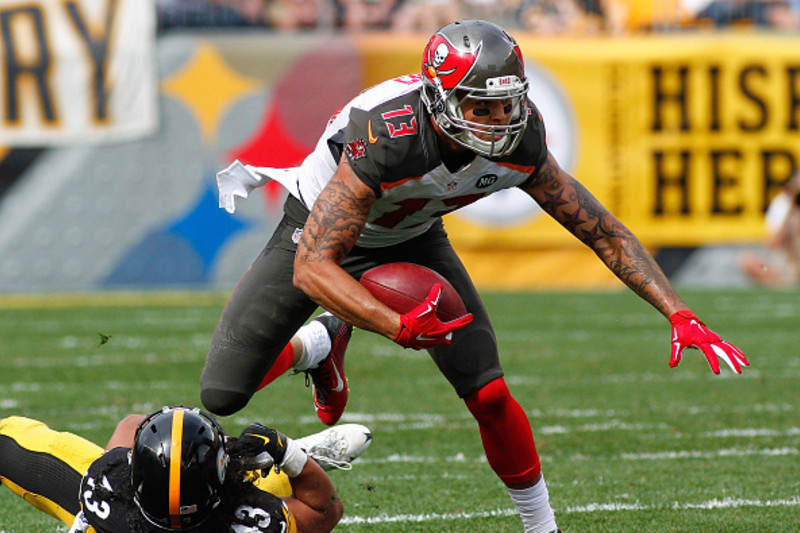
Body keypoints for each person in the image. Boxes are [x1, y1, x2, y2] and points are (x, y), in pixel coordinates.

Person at [203, 19, 749, 533]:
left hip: (414, 237)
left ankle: (543, 525)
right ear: (440, 99)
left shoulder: (522, 137)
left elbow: (602, 231)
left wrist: (678, 311)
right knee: (223, 395)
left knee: (487, 391)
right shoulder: (388, 134)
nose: (501, 118)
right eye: (482, 105)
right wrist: (394, 326)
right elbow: (314, 266)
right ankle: (318, 342)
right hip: (318, 233)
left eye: (509, 101)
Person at [0, 407, 372, 532]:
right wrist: (288, 452)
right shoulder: (250, 521)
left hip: (120, 520)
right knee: (285, 489)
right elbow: (326, 508)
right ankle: (276, 467)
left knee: (10, 439)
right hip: (221, 508)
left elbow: (131, 424)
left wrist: (160, 438)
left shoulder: (106, 491)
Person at [739, 171, 800, 286]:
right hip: (787, 267)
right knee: (747, 261)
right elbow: (773, 244)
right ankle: (785, 284)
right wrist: (791, 212)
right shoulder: (782, 204)